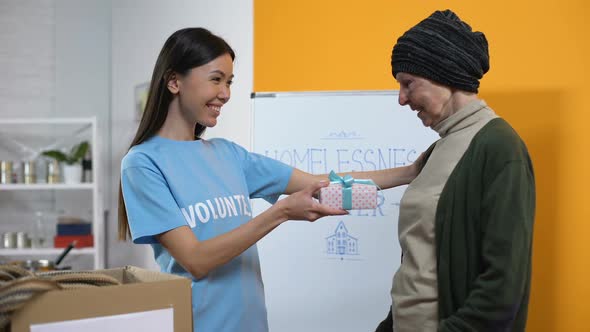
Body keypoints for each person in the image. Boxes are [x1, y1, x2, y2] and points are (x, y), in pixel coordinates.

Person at [117, 27, 422, 332]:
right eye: (216, 79)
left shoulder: (228, 154)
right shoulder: (143, 164)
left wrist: (411, 172)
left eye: (229, 82)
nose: (225, 93)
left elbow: (319, 184)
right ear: (174, 81)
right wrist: (281, 213)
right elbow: (196, 260)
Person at [375, 9, 536, 332]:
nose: (401, 99)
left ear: (444, 73)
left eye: (408, 84)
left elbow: (502, 287)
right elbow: (420, 260)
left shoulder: (499, 148)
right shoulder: (439, 149)